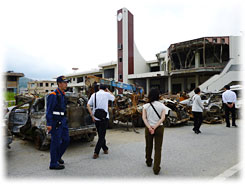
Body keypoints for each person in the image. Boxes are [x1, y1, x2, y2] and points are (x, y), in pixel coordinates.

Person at [46, 76, 70, 170]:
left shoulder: (63, 94)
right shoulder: (53, 95)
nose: (66, 84)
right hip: (56, 122)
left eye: (66, 82)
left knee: (66, 140)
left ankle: (57, 157)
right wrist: (49, 124)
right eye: (64, 82)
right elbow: (49, 110)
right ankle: (53, 163)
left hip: (63, 121)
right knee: (55, 143)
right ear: (59, 83)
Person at [87, 84, 115, 159]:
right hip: (104, 118)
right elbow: (113, 98)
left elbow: (88, 105)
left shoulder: (94, 95)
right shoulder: (107, 94)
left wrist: (92, 115)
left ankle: (105, 148)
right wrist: (108, 91)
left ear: (99, 88)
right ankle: (96, 152)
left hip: (96, 118)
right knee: (102, 136)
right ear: (105, 88)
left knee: (100, 134)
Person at [142, 88, 166, 175]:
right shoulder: (162, 106)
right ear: (158, 95)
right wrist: (155, 127)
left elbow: (144, 118)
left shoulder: (145, 106)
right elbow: (163, 118)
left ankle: (148, 161)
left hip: (148, 128)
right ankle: (156, 168)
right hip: (159, 128)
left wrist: (150, 127)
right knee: (158, 148)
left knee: (148, 146)